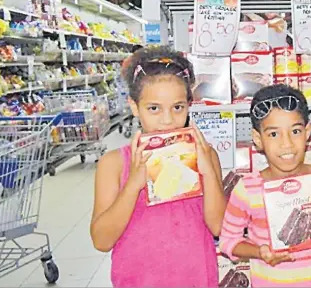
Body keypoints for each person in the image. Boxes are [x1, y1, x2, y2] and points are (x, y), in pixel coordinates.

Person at [91, 46, 225, 287]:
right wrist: (133, 184)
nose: (167, 120)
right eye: (154, 108)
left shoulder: (206, 155)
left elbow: (218, 227)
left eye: (177, 107)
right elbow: (101, 240)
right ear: (134, 106)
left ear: (188, 105)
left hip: (198, 279)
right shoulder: (113, 164)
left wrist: (207, 171)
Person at [219, 84, 311, 287]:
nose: (286, 144)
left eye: (295, 131)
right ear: (258, 139)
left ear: (307, 132)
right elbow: (227, 241)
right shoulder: (248, 189)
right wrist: (259, 252)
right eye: (274, 134)